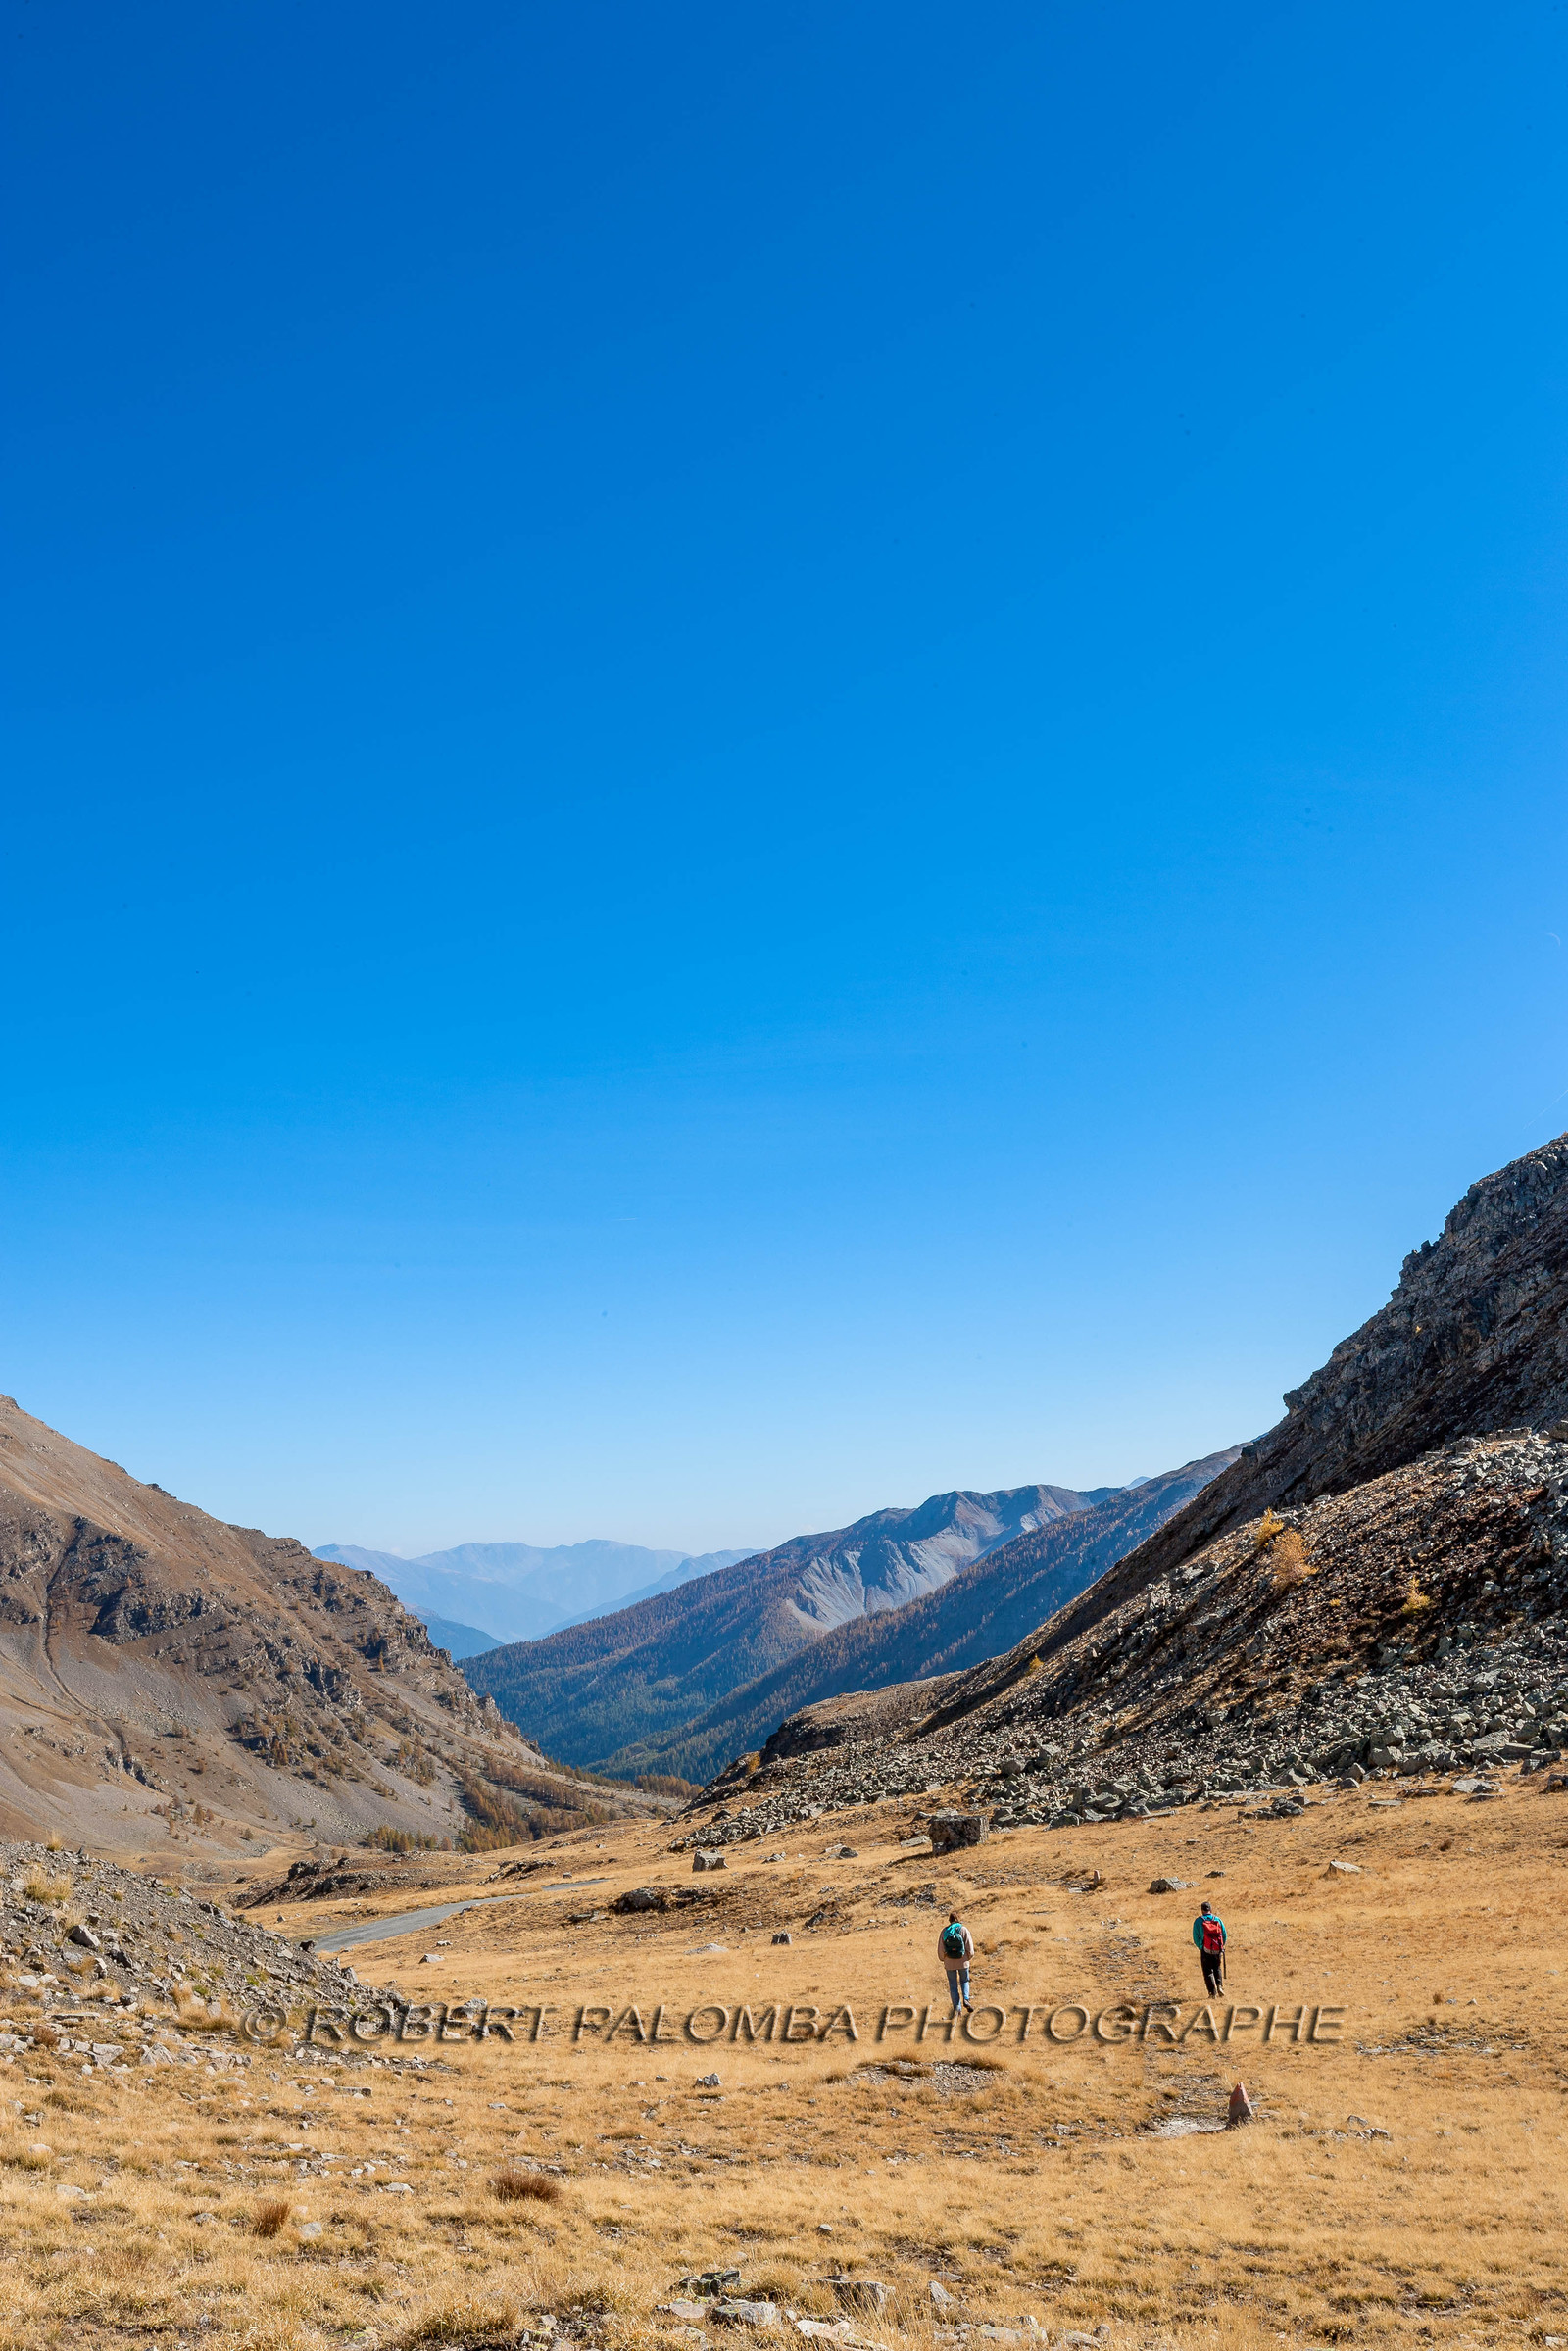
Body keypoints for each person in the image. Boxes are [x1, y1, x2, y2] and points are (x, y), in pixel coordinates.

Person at [939, 1911, 974, 2012]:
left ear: (949, 1920)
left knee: (953, 1985)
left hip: (949, 1962)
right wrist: (968, 1957)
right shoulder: (963, 1929)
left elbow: (941, 1949)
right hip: (963, 1961)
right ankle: (966, 1999)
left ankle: (957, 2009)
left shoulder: (945, 1931)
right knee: (965, 1981)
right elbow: (970, 1948)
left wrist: (943, 1958)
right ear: (958, 1918)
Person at [1193, 1900, 1226, 1995]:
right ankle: (1219, 1986)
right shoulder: (1217, 1920)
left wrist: (1200, 1946)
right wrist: (1221, 1946)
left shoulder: (1198, 1921)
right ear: (1210, 1909)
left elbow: (1195, 1937)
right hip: (1217, 1949)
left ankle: (1212, 1993)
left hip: (1205, 1949)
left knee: (1207, 1970)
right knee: (1217, 1967)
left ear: (1202, 1910)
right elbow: (1224, 1934)